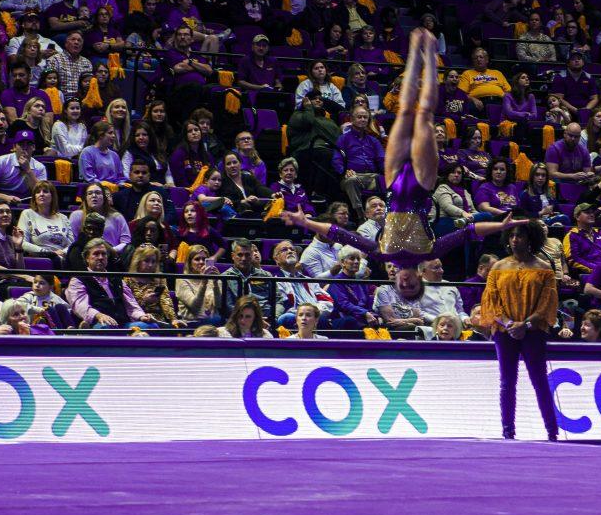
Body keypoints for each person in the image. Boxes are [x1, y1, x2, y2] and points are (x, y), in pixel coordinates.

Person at [282, 30, 522, 269]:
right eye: (411, 286)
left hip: (395, 186)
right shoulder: (428, 251)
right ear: (417, 280)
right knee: (425, 114)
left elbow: (340, 234)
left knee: (406, 111)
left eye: (403, 286)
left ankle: (415, 51)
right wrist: (500, 226)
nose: (405, 282)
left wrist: (307, 223)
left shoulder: (384, 253)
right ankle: (429, 53)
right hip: (421, 187)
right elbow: (469, 231)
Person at [478, 219, 559, 441]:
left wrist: (526, 324)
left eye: (520, 236)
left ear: (530, 238)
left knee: (539, 380)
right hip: (504, 332)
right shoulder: (498, 267)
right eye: (512, 236)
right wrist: (508, 324)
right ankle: (508, 432)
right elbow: (491, 302)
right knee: (507, 381)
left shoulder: (544, 268)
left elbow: (547, 304)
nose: (515, 240)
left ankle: (552, 431)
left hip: (533, 331)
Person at [64, 238, 158, 330]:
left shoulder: (116, 279)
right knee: (106, 327)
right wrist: (98, 315)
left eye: (103, 254)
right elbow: (80, 306)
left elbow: (131, 305)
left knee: (152, 327)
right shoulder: (78, 280)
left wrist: (142, 316)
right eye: (96, 254)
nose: (100, 257)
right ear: (87, 258)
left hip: (123, 324)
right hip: (98, 324)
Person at [0, 129, 46, 203]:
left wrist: (28, 171)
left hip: (26, 200)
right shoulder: (0, 161)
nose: (25, 147)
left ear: (34, 147)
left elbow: (41, 194)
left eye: (29, 144)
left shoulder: (40, 167)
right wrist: (6, 197)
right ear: (14, 147)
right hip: (2, 198)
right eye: (21, 144)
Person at [18, 181, 74, 263]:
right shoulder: (27, 214)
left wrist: (62, 252)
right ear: (34, 197)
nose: (41, 194)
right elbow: (23, 243)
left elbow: (71, 244)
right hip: (40, 260)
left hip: (62, 259)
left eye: (45, 191)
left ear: (52, 196)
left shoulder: (63, 218)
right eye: (37, 192)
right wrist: (50, 253)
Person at [175, 245, 223, 324]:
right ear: (189, 263)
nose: (201, 262)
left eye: (204, 259)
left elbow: (219, 305)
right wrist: (204, 283)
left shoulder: (214, 279)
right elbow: (195, 306)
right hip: (191, 323)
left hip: (213, 323)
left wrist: (216, 283)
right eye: (197, 259)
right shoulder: (182, 280)